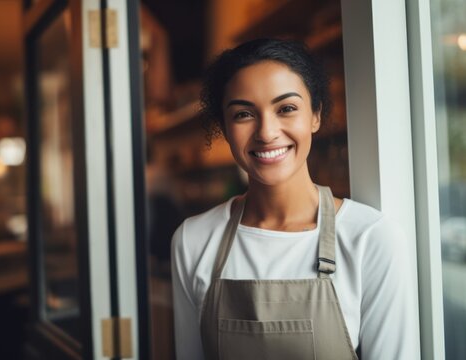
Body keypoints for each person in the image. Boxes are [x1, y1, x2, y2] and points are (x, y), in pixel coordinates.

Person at [171, 39, 419, 360]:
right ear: (224, 128)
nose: (267, 132)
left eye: (286, 109)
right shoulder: (193, 240)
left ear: (315, 115)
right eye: (244, 114)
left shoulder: (370, 239)